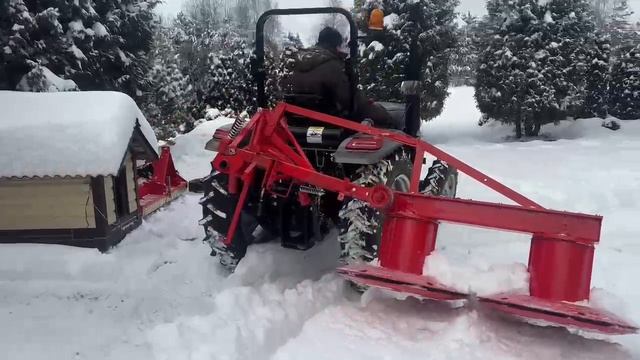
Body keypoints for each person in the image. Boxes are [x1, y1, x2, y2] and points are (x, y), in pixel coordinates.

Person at [283, 27, 393, 127]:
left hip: (295, 124)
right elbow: (349, 102)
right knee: (384, 119)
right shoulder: (333, 66)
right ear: (336, 46)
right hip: (330, 127)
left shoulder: (292, 63)